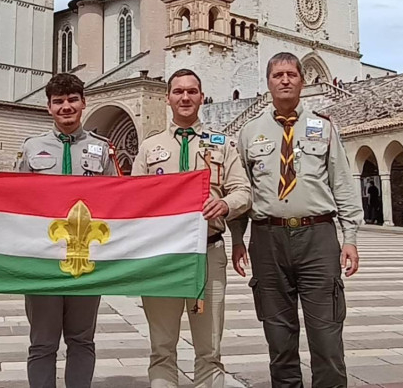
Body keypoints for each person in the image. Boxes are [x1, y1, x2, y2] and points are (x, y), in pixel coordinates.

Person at [231, 52, 362, 388]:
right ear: (268, 82)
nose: (285, 80)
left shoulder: (324, 127)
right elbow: (241, 191)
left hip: (317, 237)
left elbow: (342, 182)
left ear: (303, 81)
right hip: (267, 240)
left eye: (291, 74)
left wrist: (350, 238)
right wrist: (236, 240)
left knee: (327, 337)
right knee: (279, 339)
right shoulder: (249, 132)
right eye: (278, 75)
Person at [132, 68, 251, 388]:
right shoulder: (149, 148)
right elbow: (131, 200)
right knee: (161, 349)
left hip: (207, 254)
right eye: (178, 92)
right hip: (162, 258)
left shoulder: (223, 144)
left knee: (209, 349)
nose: (185, 97)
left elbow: (243, 191)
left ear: (202, 97)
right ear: (168, 98)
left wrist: (225, 204)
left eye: (192, 91)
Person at [15, 73, 119, 388]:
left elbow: (116, 199)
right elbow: (17, 202)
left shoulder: (102, 149)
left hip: (87, 257)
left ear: (83, 103)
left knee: (82, 339)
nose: (66, 107)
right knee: (43, 342)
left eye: (72, 100)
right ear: (48, 107)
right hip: (43, 259)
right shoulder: (32, 148)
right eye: (58, 101)